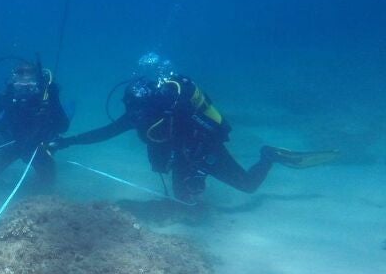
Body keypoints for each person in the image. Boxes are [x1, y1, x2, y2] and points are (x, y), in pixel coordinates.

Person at [49, 53, 337, 203]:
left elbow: (212, 132)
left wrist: (200, 165)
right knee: (183, 198)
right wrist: (66, 141)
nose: (134, 114)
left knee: (248, 186)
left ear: (150, 103)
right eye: (131, 107)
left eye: (138, 108)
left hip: (204, 149)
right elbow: (104, 132)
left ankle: (268, 156)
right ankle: (195, 185)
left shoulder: (177, 109)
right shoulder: (138, 115)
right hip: (181, 157)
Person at [0, 60, 70, 186]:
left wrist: (54, 98)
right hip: (9, 142)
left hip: (36, 144)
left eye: (30, 83)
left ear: (37, 81)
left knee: (48, 183)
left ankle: (70, 108)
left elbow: (63, 127)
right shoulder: (5, 95)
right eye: (20, 83)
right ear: (13, 80)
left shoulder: (46, 96)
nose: (25, 88)